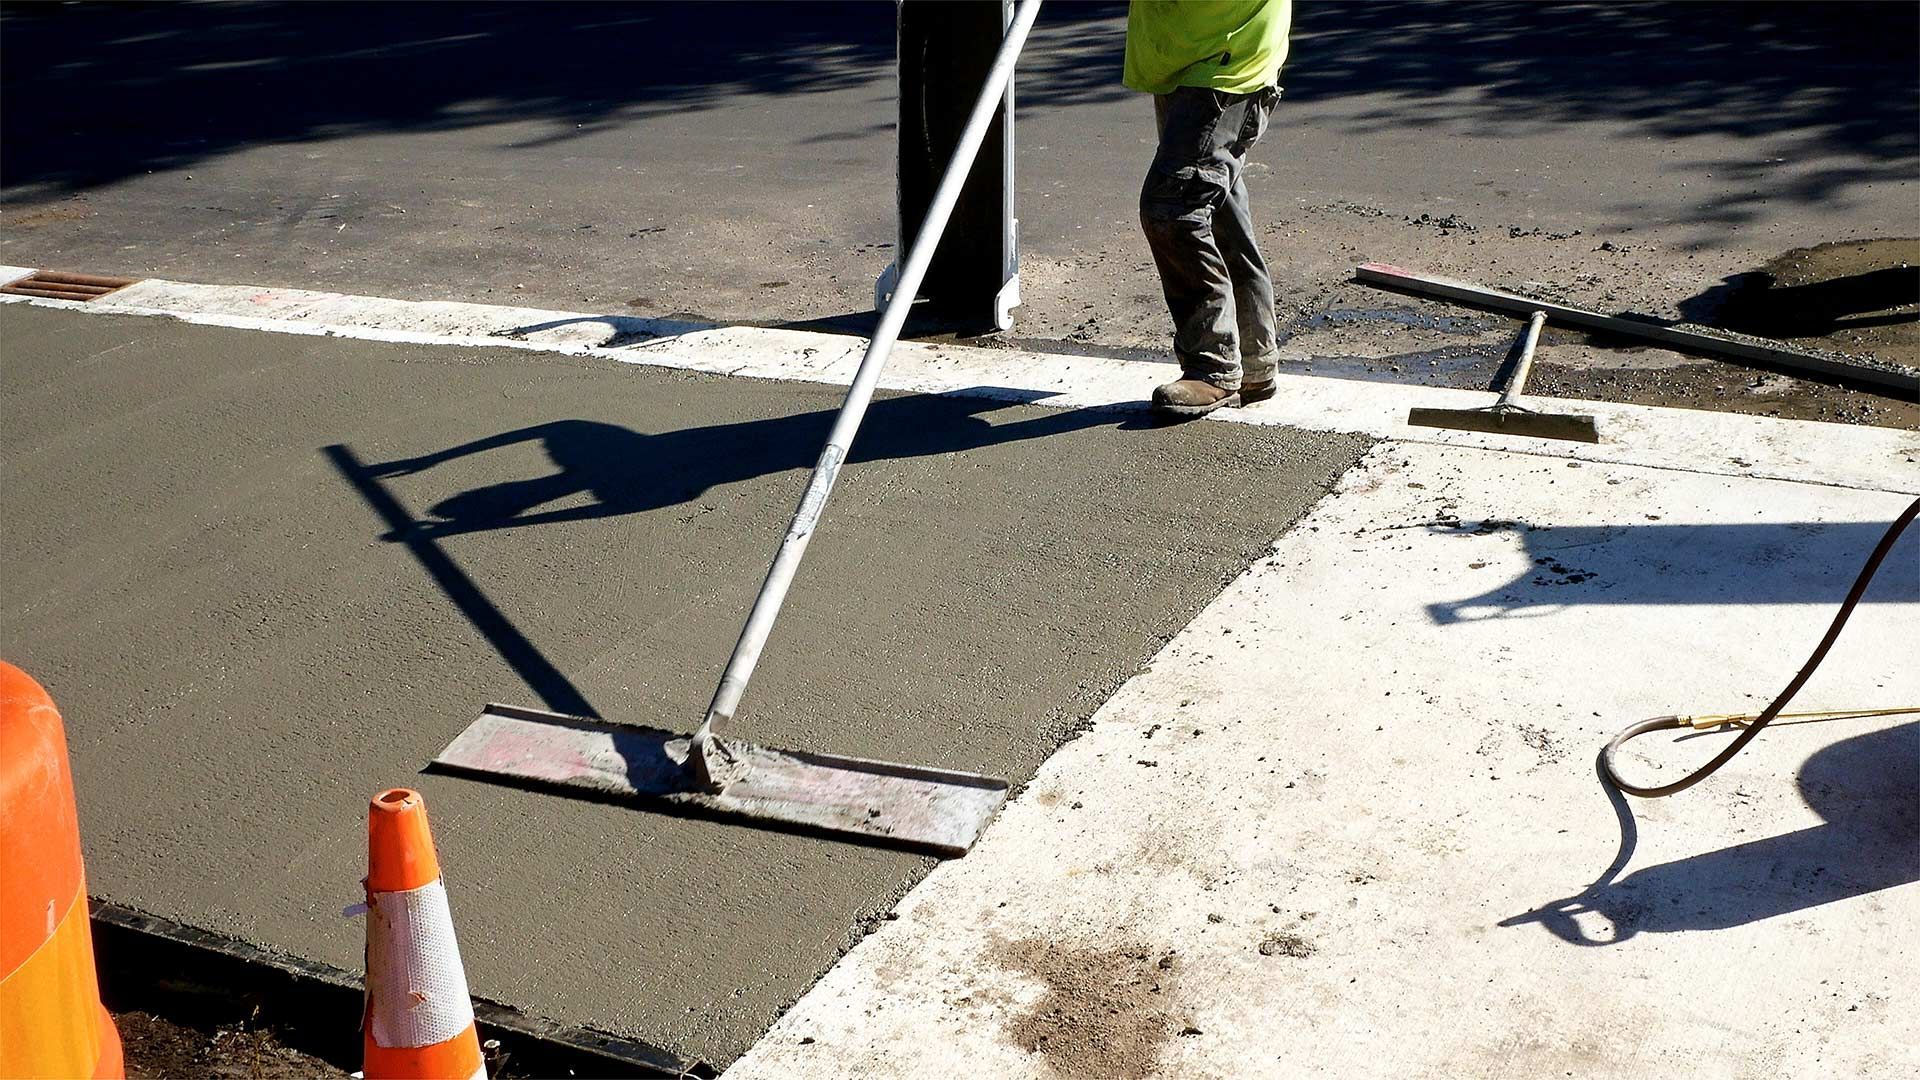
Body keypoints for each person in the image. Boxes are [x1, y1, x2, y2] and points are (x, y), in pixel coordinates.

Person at [1124, 0, 1293, 416]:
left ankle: (1212, 364)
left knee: (1175, 209)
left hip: (1225, 60)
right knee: (1216, 212)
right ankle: (1254, 360)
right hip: (1192, 53)